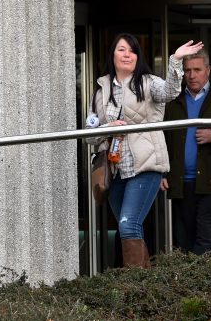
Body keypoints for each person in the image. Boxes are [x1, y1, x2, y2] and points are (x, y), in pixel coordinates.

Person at [86, 33, 204, 267]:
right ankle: (146, 285)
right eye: (121, 49)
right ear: (113, 54)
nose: (127, 54)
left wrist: (176, 60)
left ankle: (135, 287)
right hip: (115, 169)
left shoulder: (148, 82)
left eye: (132, 50)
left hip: (146, 165)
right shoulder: (101, 90)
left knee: (128, 224)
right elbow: (90, 135)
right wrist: (108, 127)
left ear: (137, 57)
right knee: (127, 226)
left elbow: (171, 92)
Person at [161, 49, 211, 255]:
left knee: (206, 239)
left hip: (210, 181)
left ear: (208, 70)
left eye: (197, 70)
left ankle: (205, 285)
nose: (191, 75)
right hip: (180, 182)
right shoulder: (173, 101)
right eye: (187, 70)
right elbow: (163, 138)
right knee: (183, 240)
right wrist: (163, 172)